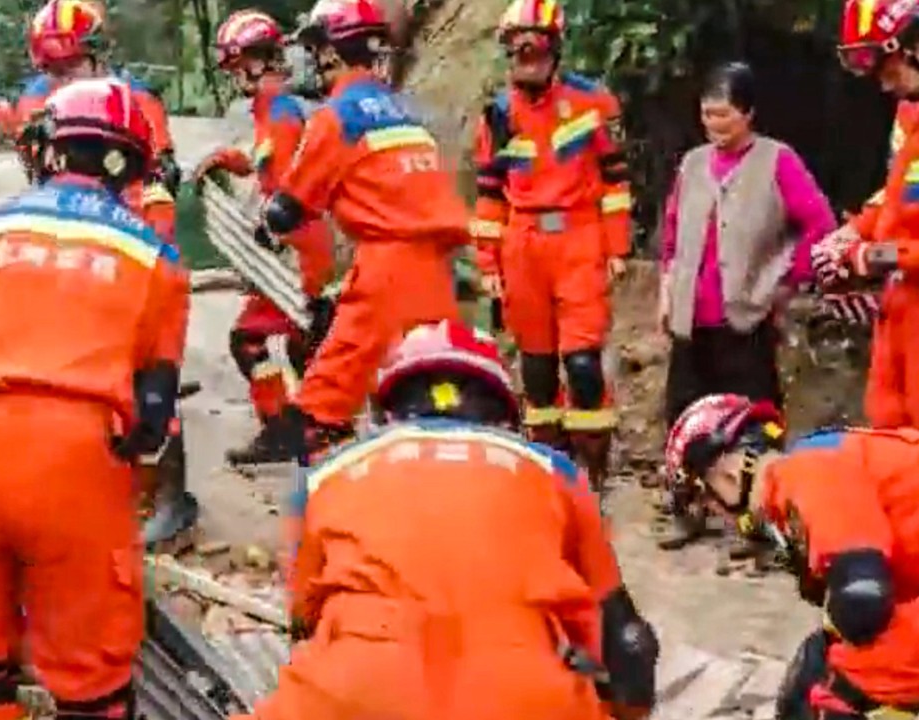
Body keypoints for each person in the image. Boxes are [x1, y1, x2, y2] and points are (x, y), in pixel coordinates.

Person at [0, 78, 189, 720]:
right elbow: (153, 416)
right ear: (130, 164)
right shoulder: (155, 256)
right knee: (91, 680)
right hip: (70, 460)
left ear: (47, 150)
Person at [238, 320, 658, 720]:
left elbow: (302, 624)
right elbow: (627, 642)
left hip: (359, 691)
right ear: (502, 410)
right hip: (520, 695)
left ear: (388, 410)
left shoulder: (322, 477)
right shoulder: (555, 471)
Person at [262, 0, 469, 460]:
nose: (313, 63)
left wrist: (269, 220)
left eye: (316, 51)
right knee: (423, 392)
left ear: (333, 52)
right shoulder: (408, 113)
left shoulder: (336, 117)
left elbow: (287, 211)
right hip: (439, 276)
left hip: (385, 275)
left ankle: (333, 514)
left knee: (320, 410)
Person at [664, 394, 919, 720]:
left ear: (726, 471)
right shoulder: (815, 466)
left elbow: (863, 598)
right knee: (818, 661)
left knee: (838, 691)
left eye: (704, 495)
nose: (713, 511)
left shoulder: (805, 472)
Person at [468, 0, 630, 490]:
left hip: (580, 239)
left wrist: (616, 247)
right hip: (523, 243)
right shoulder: (497, 115)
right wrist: (488, 262)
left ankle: (593, 466)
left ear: (554, 49)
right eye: (516, 51)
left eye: (534, 49)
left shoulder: (594, 103)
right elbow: (490, 196)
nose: (525, 59)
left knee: (582, 363)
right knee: (537, 368)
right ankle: (549, 462)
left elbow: (616, 180)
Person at [191, 9, 336, 465]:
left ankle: (301, 432)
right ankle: (299, 429)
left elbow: (294, 177)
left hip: (298, 249)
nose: (235, 75)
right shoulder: (273, 107)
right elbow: (263, 159)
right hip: (295, 246)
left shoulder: (282, 108)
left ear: (259, 60)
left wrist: (272, 228)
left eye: (238, 65)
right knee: (297, 342)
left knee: (268, 341)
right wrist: (227, 159)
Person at [659, 61, 833, 429]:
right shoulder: (693, 164)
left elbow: (819, 224)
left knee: (752, 423)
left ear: (748, 113)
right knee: (688, 423)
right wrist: (667, 288)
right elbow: (673, 233)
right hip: (691, 324)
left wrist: (786, 282)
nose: (714, 124)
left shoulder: (777, 160)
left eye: (724, 114)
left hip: (746, 321)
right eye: (707, 114)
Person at [817, 0, 919, 429]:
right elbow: (899, 192)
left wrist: (872, 258)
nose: (883, 85)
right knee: (888, 431)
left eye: (888, 68)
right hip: (900, 311)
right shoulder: (910, 111)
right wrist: (850, 235)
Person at [24, 0, 179, 242]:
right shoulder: (39, 102)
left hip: (129, 226)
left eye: (73, 66)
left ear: (99, 58)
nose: (66, 80)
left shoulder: (138, 101)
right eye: (54, 71)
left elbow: (164, 172)